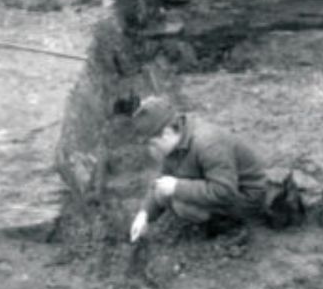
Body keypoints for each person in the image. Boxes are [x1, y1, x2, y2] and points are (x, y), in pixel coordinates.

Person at [126, 95, 301, 242]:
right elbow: (162, 179)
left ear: (166, 133)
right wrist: (144, 215)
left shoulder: (208, 144)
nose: (151, 151)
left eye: (152, 144)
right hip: (214, 183)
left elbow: (224, 191)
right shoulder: (175, 143)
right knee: (163, 193)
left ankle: (228, 226)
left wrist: (177, 187)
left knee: (182, 205)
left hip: (246, 196)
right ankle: (211, 216)